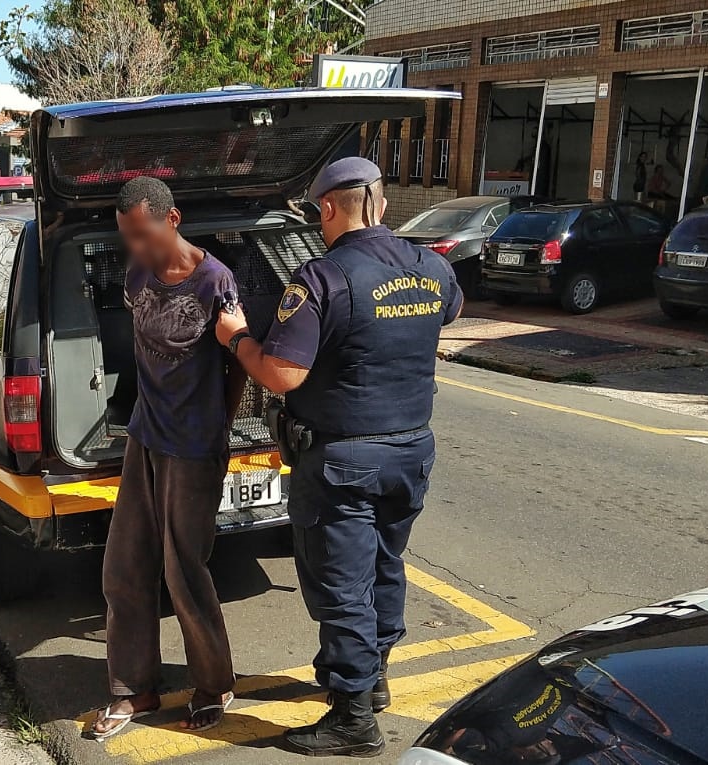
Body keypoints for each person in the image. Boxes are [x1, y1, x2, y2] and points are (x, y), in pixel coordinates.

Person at [216, 157, 462, 757]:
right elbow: (448, 316)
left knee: (343, 586)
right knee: (384, 565)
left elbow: (282, 374)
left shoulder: (323, 278)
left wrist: (236, 338)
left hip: (344, 462)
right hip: (412, 453)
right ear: (379, 200)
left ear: (328, 208)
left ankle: (353, 719)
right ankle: (373, 678)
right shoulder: (433, 267)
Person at [88, 176, 244, 742]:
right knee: (124, 567)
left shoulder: (214, 280)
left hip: (195, 446)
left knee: (183, 571)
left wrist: (218, 426)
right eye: (127, 236)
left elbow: (239, 362)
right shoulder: (136, 274)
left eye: (143, 233)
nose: (135, 246)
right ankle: (134, 688)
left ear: (172, 220)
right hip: (145, 437)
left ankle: (213, 683)